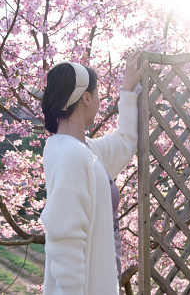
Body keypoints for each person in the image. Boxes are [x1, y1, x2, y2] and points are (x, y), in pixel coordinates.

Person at [40, 50, 149, 295]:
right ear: (86, 98)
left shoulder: (80, 150)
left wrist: (128, 92)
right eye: (98, 93)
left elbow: (124, 143)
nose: (100, 100)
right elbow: (65, 241)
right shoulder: (71, 155)